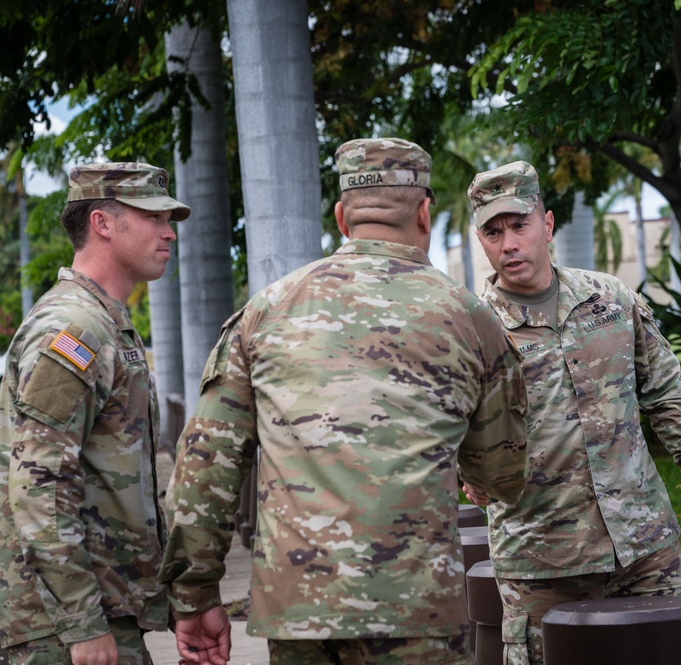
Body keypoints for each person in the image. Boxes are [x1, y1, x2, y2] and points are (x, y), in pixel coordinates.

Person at [158, 137, 529, 665]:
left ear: (340, 217)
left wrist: (193, 595)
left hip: (298, 606)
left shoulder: (264, 312)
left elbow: (204, 469)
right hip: (416, 606)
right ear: (425, 214)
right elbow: (501, 477)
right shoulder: (472, 318)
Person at [463, 160, 681, 665]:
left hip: (643, 546)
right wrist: (469, 467)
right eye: (493, 232)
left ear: (548, 223)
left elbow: (666, 391)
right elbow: (450, 423)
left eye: (520, 225)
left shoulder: (610, 298)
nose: (509, 243)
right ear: (481, 240)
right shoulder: (474, 329)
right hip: (543, 560)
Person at [0, 162, 190, 664]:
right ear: (102, 223)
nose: (168, 231)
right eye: (152, 217)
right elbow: (40, 485)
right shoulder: (74, 330)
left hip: (98, 612)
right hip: (58, 628)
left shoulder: (104, 323)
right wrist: (82, 622)